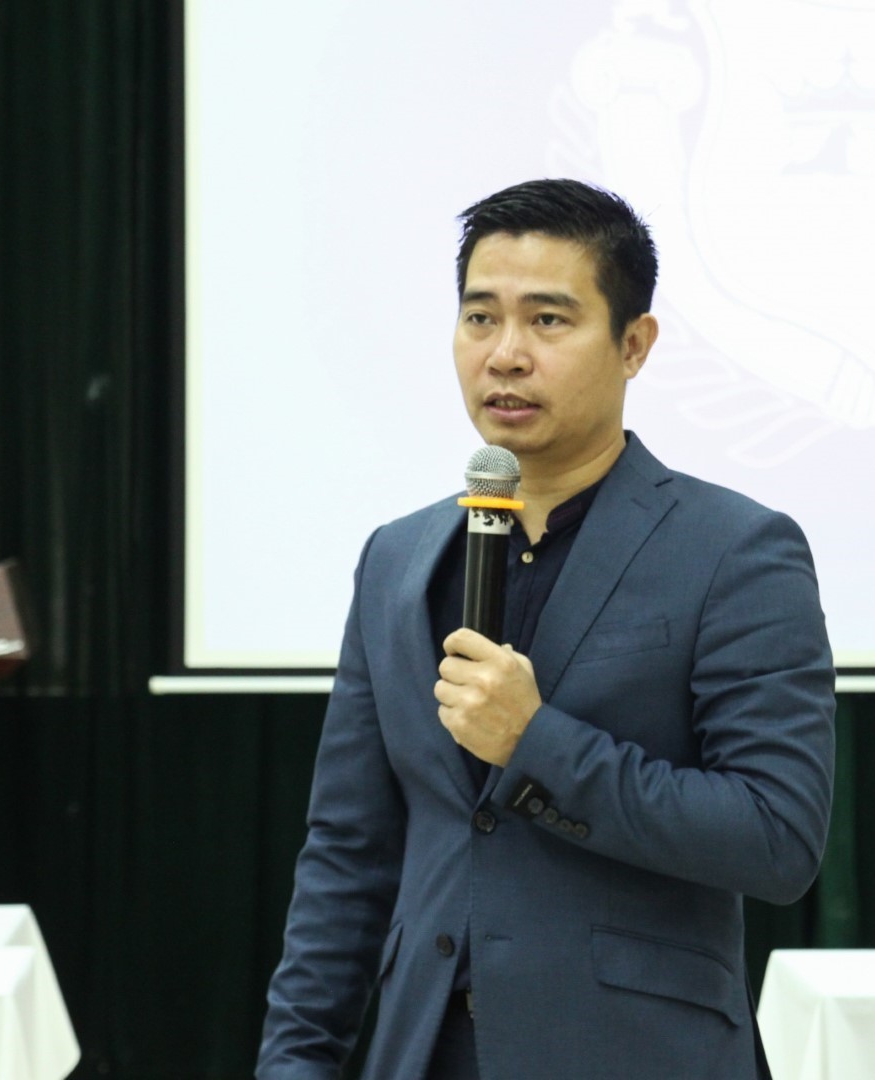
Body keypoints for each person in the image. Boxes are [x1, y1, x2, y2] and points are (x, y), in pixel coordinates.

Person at [258, 179, 835, 1080]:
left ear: (634, 344)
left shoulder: (734, 549)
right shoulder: (398, 559)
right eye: (480, 318)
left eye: (548, 321)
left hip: (634, 1056)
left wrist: (537, 743)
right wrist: (294, 1064)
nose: (506, 355)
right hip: (424, 1051)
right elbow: (349, 853)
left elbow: (776, 838)